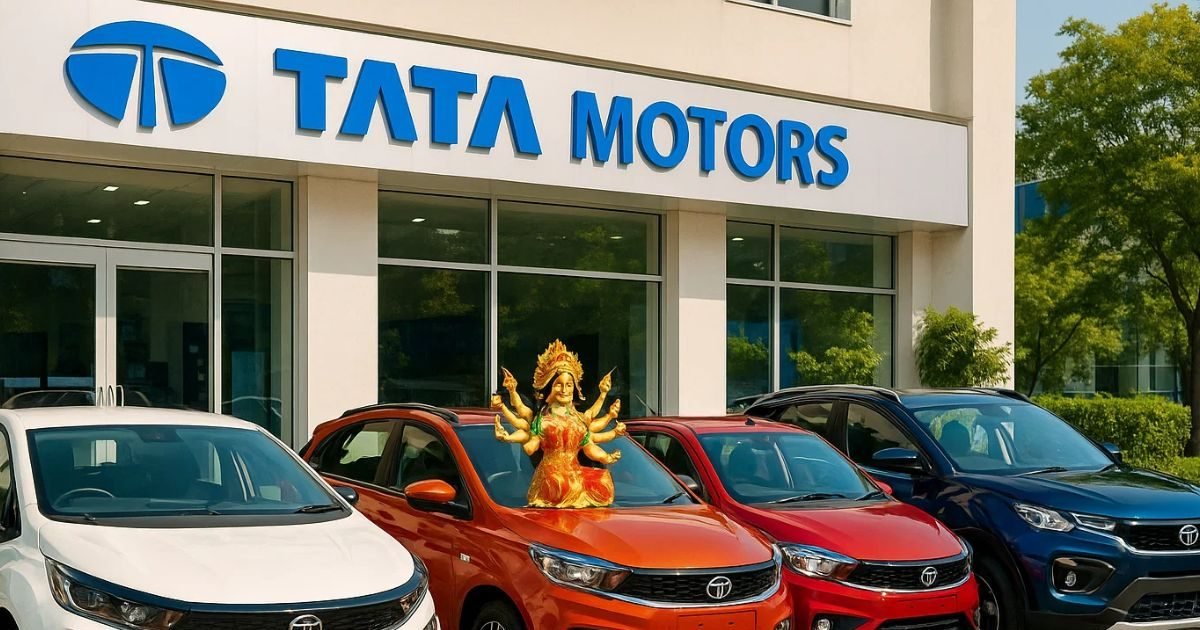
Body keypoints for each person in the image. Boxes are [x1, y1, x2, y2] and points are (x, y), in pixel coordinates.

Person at [492, 340, 624, 508]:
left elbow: (589, 447)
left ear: (575, 388)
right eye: (558, 385)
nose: (564, 390)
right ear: (549, 388)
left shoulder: (578, 420)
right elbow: (531, 446)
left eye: (569, 385)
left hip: (574, 472)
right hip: (553, 475)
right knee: (564, 483)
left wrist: (607, 457)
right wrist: (508, 438)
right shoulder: (542, 420)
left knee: (602, 482)